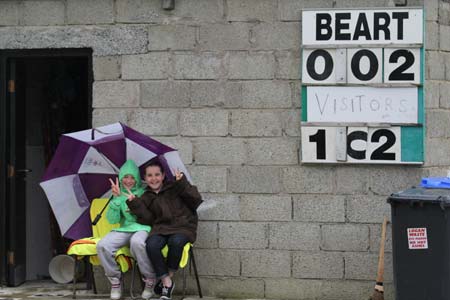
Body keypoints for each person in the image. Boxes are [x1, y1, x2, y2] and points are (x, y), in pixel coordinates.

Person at [124, 160, 203, 300]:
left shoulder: (175, 187)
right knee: (152, 245)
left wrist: (182, 182)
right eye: (149, 175)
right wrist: (134, 203)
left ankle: (167, 280)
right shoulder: (146, 196)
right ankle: (167, 282)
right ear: (145, 178)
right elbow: (148, 219)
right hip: (161, 228)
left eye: (157, 174)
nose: (153, 178)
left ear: (163, 175)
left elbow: (196, 200)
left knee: (176, 242)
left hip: (183, 226)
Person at [96, 159, 157, 300]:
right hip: (124, 229)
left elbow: (148, 216)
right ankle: (115, 281)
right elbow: (112, 220)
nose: (129, 181)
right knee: (103, 245)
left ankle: (149, 280)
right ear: (121, 178)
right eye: (125, 177)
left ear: (137, 179)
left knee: (137, 243)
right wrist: (117, 199)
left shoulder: (145, 193)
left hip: (142, 228)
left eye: (132, 177)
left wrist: (135, 201)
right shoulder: (117, 194)